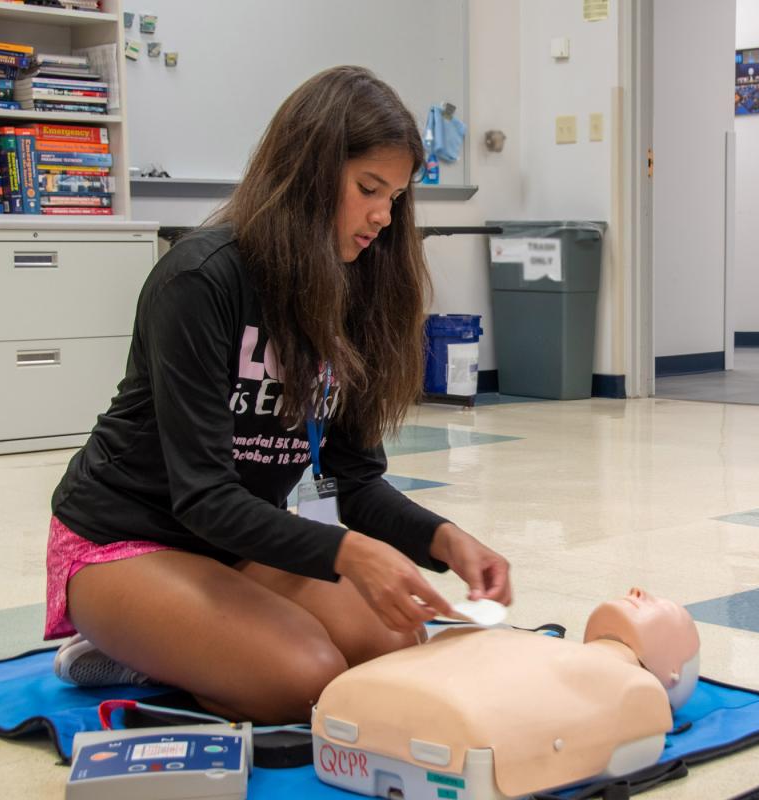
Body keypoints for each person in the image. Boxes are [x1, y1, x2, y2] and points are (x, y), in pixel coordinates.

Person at [43, 65, 511, 724]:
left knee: (392, 644)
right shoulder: (200, 281)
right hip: (125, 540)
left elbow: (353, 482)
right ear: (310, 173)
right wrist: (347, 553)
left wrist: (444, 539)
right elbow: (202, 495)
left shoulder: (355, 288)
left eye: (396, 198)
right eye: (368, 189)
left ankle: (199, 630)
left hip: (235, 544)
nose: (382, 215)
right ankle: (138, 643)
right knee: (304, 679)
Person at [312, 588, 701, 799]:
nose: (637, 591)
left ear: (671, 675)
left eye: (658, 605)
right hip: (426, 729)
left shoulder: (637, 691)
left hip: (429, 730)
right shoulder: (535, 646)